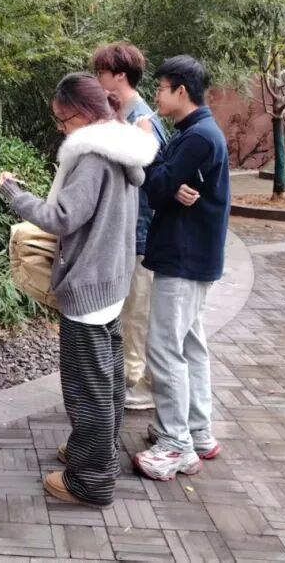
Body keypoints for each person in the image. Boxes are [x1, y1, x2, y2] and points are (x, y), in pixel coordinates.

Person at [0, 73, 158, 507]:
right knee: (106, 380)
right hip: (111, 282)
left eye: (63, 119)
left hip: (88, 286)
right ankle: (94, 451)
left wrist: (14, 193)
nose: (61, 128)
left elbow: (61, 218)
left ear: (85, 114)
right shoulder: (123, 150)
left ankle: (91, 479)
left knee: (87, 388)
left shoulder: (92, 158)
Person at [133, 55, 230, 482]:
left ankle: (175, 445)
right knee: (189, 345)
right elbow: (169, 185)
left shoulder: (198, 138)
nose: (156, 96)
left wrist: (146, 147)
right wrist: (172, 185)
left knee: (164, 347)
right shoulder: (197, 133)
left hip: (183, 258)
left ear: (181, 91)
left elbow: (155, 187)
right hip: (193, 256)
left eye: (161, 88)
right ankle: (197, 431)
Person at [93, 43, 168, 411]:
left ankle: (138, 385)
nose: (97, 80)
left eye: (101, 73)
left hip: (142, 236)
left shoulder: (144, 121)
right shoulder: (123, 117)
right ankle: (128, 381)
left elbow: (159, 181)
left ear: (120, 76)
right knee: (128, 312)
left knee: (137, 314)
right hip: (127, 235)